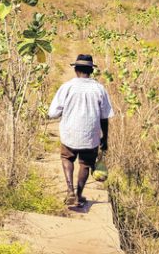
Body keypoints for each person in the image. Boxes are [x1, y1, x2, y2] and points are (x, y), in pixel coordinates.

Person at [48, 54, 114, 207]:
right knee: (85, 164)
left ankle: (70, 190)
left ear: (76, 69)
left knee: (67, 158)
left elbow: (52, 113)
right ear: (91, 70)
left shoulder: (67, 87)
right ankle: (78, 195)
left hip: (69, 133)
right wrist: (105, 139)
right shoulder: (99, 89)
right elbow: (105, 117)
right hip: (91, 136)